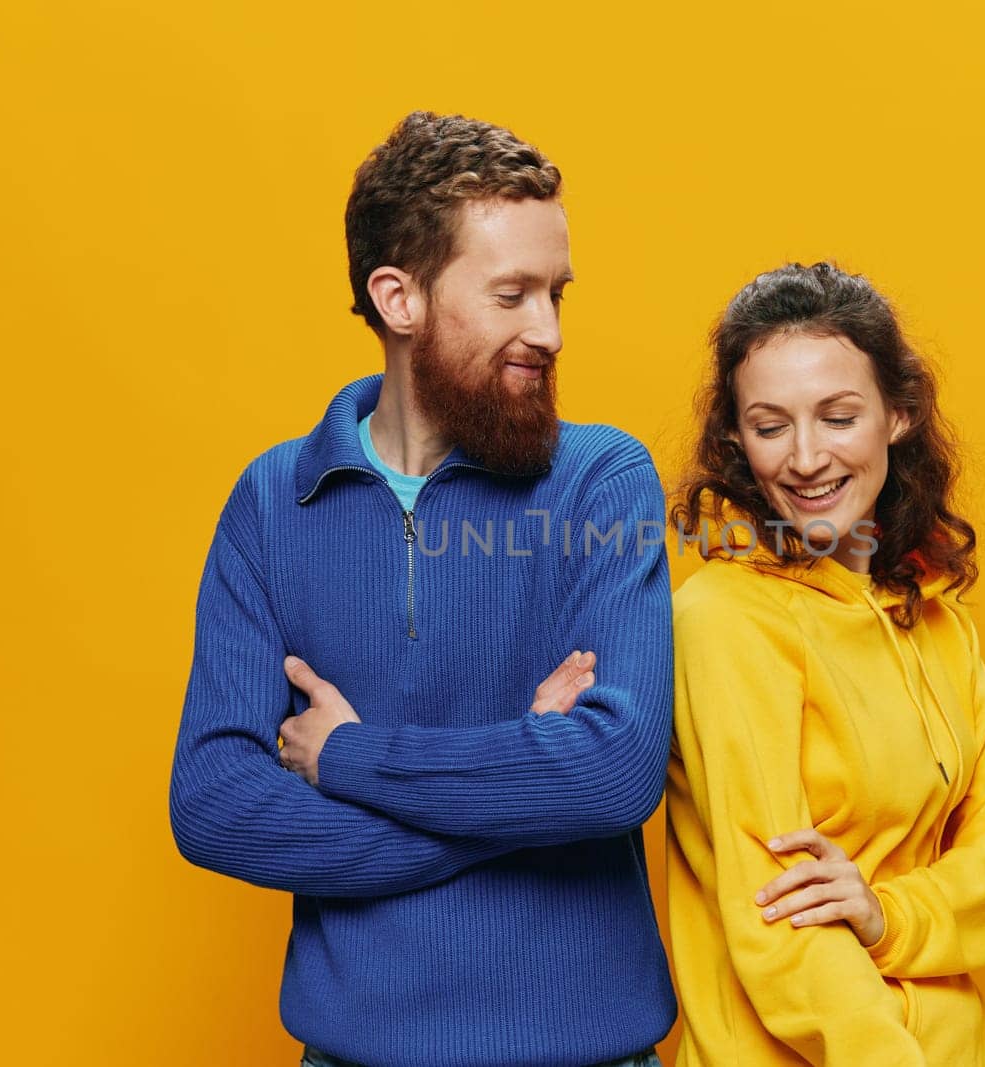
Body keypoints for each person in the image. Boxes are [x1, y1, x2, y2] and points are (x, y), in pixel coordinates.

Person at [168, 111, 675, 1067]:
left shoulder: (602, 482)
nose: (550, 331)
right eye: (512, 295)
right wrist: (515, 795)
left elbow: (613, 770)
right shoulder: (275, 502)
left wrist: (352, 757)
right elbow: (214, 802)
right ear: (399, 299)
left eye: (556, 293)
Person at [665, 262, 985, 1065]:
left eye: (837, 416)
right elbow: (778, 923)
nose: (805, 458)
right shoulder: (725, 621)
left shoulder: (933, 613)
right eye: (770, 426)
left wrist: (891, 916)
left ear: (898, 414)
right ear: (735, 437)